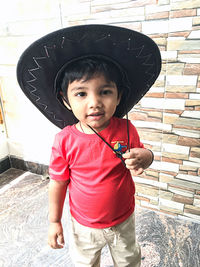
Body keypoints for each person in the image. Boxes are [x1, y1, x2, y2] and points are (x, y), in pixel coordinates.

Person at [16, 25, 161, 267]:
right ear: (65, 100)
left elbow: (141, 156)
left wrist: (146, 156)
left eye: (105, 92)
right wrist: (54, 221)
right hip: (85, 226)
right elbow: (58, 183)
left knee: (128, 261)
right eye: (81, 94)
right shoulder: (65, 140)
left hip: (123, 220)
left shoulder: (125, 128)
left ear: (118, 96)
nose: (95, 103)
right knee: (86, 263)